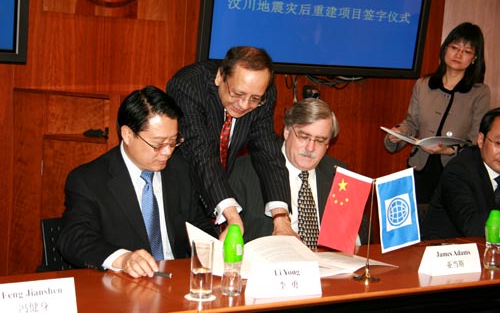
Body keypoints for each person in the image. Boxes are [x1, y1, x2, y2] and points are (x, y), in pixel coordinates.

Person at [58, 86, 216, 278]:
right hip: (123, 286)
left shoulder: (179, 168)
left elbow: (196, 224)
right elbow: (74, 238)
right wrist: (123, 259)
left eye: (173, 141)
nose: (167, 152)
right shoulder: (89, 180)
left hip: (177, 281)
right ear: (127, 134)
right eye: (158, 144)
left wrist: (216, 247)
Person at [166, 46, 292, 239]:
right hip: (180, 191)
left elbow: (267, 151)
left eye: (254, 99)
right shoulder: (189, 86)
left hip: (219, 190)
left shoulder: (263, 94)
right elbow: (201, 151)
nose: (244, 105)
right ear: (219, 77)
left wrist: (281, 218)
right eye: (237, 94)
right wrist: (231, 215)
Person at [229, 98, 369, 246]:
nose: (310, 148)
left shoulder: (337, 173)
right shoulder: (244, 170)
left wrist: (343, 240)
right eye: (304, 137)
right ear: (287, 132)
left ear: (328, 144)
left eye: (320, 140)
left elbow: (364, 231)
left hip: (328, 264)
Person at [384, 22, 490, 205]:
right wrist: (399, 134)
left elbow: (476, 141)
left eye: (466, 51)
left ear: (474, 58)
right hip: (420, 169)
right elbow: (411, 123)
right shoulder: (424, 84)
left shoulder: (479, 92)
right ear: (445, 49)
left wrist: (448, 150)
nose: (458, 54)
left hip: (455, 172)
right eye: (455, 47)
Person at [421, 108, 500, 240]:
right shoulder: (458, 171)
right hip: (445, 252)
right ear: (481, 140)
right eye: (499, 143)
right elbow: (473, 227)